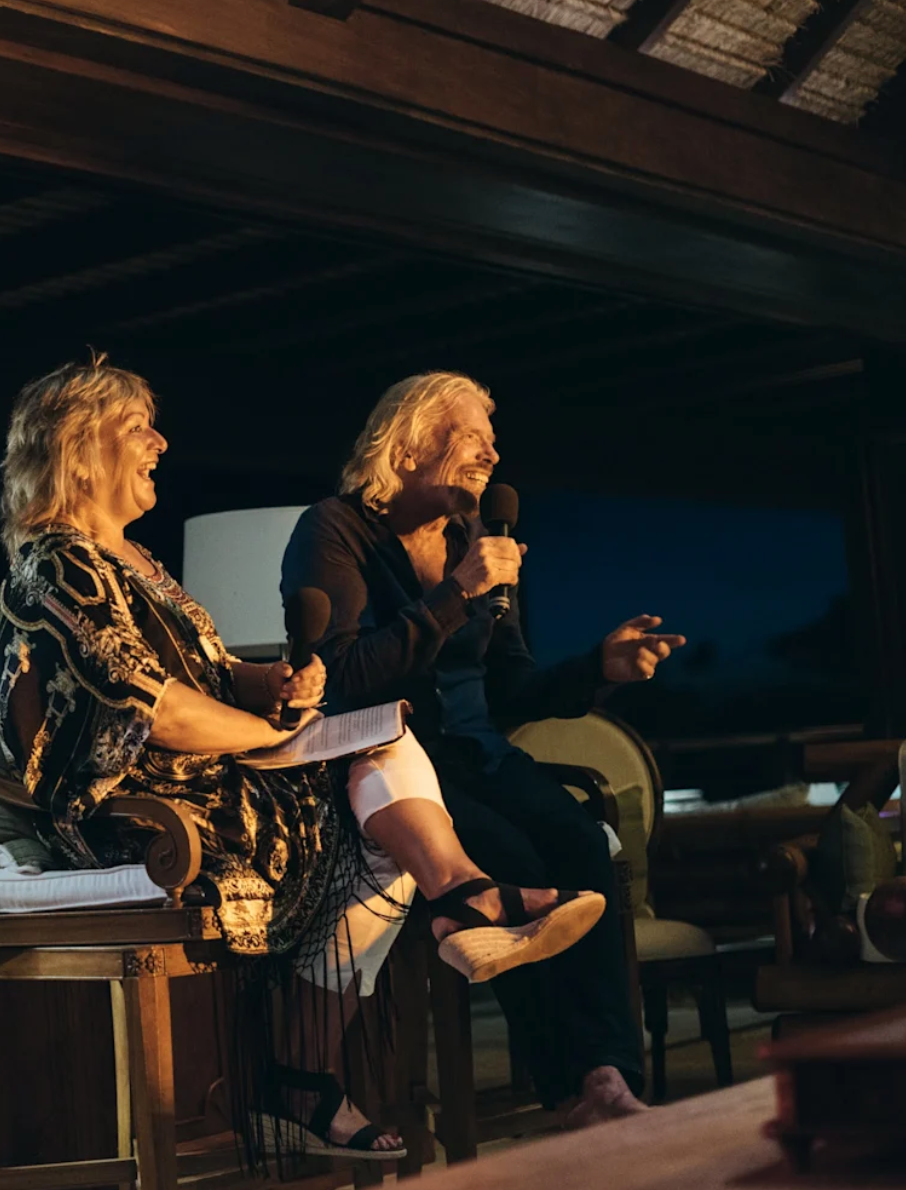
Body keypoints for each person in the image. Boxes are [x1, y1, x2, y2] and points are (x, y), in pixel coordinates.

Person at [0, 355, 605, 1159]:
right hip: (143, 816)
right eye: (139, 427)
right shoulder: (58, 564)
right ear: (77, 447)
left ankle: (330, 1051)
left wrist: (266, 682)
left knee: (381, 760)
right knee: (380, 795)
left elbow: (207, 673)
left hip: (207, 792)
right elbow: (158, 708)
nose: (162, 442)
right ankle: (439, 927)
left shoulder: (135, 563)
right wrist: (275, 736)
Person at [280, 370, 686, 1129]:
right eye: (471, 434)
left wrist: (597, 669)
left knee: (579, 843)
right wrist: (455, 594)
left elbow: (512, 687)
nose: (492, 452)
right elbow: (342, 675)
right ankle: (568, 1090)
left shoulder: (477, 541)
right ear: (407, 443)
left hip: (481, 753)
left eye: (490, 439)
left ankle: (606, 1076)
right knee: (513, 866)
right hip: (394, 768)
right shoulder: (334, 530)